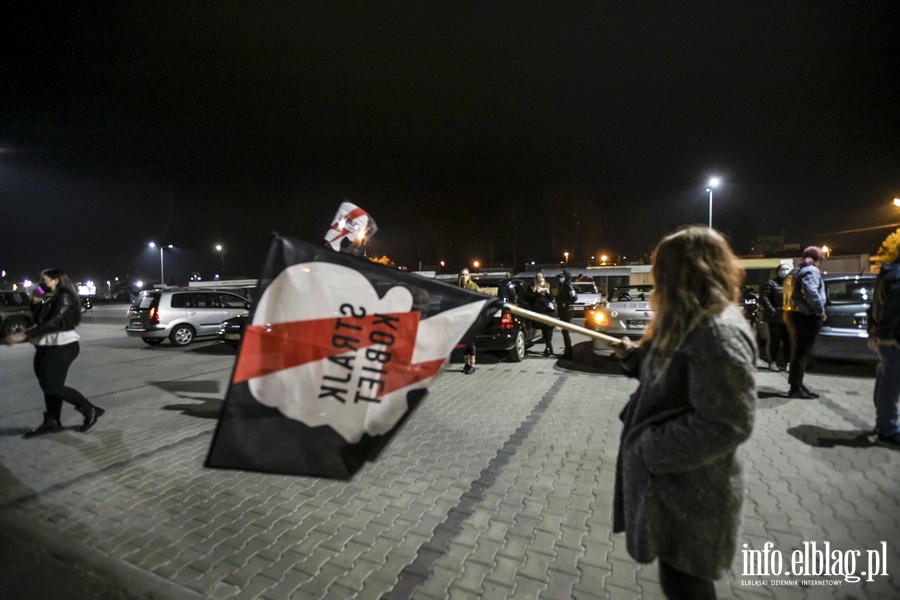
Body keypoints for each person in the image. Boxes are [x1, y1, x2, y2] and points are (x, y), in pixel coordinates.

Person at [611, 227, 756, 600]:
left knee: (687, 586)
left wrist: (650, 449)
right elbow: (674, 380)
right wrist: (637, 359)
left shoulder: (716, 332)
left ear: (685, 272)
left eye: (661, 268)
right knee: (678, 580)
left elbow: (726, 423)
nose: (655, 277)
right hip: (677, 490)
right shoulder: (690, 321)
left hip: (694, 494)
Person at [2, 268, 105, 437]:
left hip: (62, 346)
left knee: (53, 386)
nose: (41, 283)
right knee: (47, 386)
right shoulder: (53, 298)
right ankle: (52, 421)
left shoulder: (64, 297)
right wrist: (35, 301)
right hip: (46, 346)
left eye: (44, 280)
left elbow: (53, 322)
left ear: (55, 280)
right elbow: (39, 319)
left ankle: (90, 409)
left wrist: (24, 336)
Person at [782, 246, 827, 399]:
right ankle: (796, 388)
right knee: (801, 353)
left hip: (793, 314)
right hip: (806, 316)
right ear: (818, 259)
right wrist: (820, 310)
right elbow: (812, 292)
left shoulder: (795, 270)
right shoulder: (811, 270)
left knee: (798, 351)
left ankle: (797, 384)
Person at [867, 253, 900, 450]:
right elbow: (891, 310)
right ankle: (886, 430)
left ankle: (883, 422)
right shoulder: (897, 276)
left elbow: (874, 306)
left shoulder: (888, 273)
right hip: (893, 341)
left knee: (885, 378)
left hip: (885, 338)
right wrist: (888, 338)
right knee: (891, 385)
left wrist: (873, 332)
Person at [758, 262, 792, 371]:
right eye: (782, 269)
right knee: (775, 340)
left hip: (789, 317)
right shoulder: (771, 283)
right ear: (777, 272)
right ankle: (773, 362)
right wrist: (773, 310)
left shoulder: (793, 284)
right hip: (775, 317)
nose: (785, 271)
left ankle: (788, 363)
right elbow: (764, 298)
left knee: (788, 341)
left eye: (787, 269)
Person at [457, 268, 480, 374]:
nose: (463, 277)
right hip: (461, 318)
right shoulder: (457, 287)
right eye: (462, 275)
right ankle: (466, 363)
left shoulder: (473, 286)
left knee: (470, 341)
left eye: (466, 275)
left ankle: (472, 364)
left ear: (469, 276)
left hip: (472, 317)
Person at [529, 273, 555, 356]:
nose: (540, 280)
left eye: (542, 278)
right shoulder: (532, 287)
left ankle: (548, 347)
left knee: (548, 327)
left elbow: (551, 298)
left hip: (546, 311)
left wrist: (547, 292)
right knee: (546, 327)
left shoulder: (547, 286)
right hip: (537, 312)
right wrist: (537, 292)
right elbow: (528, 298)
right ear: (536, 280)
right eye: (538, 279)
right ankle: (549, 347)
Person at [555, 270, 577, 359]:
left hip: (567, 311)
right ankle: (568, 351)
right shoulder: (562, 286)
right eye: (559, 277)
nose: (560, 278)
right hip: (563, 311)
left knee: (565, 331)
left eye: (562, 276)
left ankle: (569, 352)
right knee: (564, 332)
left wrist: (565, 303)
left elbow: (574, 297)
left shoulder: (568, 286)